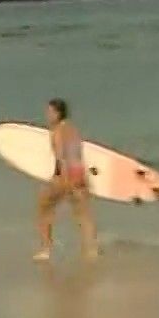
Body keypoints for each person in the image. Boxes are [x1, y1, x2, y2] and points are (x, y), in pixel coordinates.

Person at [35, 98, 98, 263]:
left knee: (44, 208)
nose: (47, 115)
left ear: (58, 114)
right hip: (80, 173)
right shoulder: (73, 130)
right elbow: (78, 154)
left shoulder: (57, 132)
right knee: (83, 215)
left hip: (66, 174)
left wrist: (60, 179)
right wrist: (83, 178)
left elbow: (61, 157)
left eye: (50, 112)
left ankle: (46, 249)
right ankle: (92, 251)